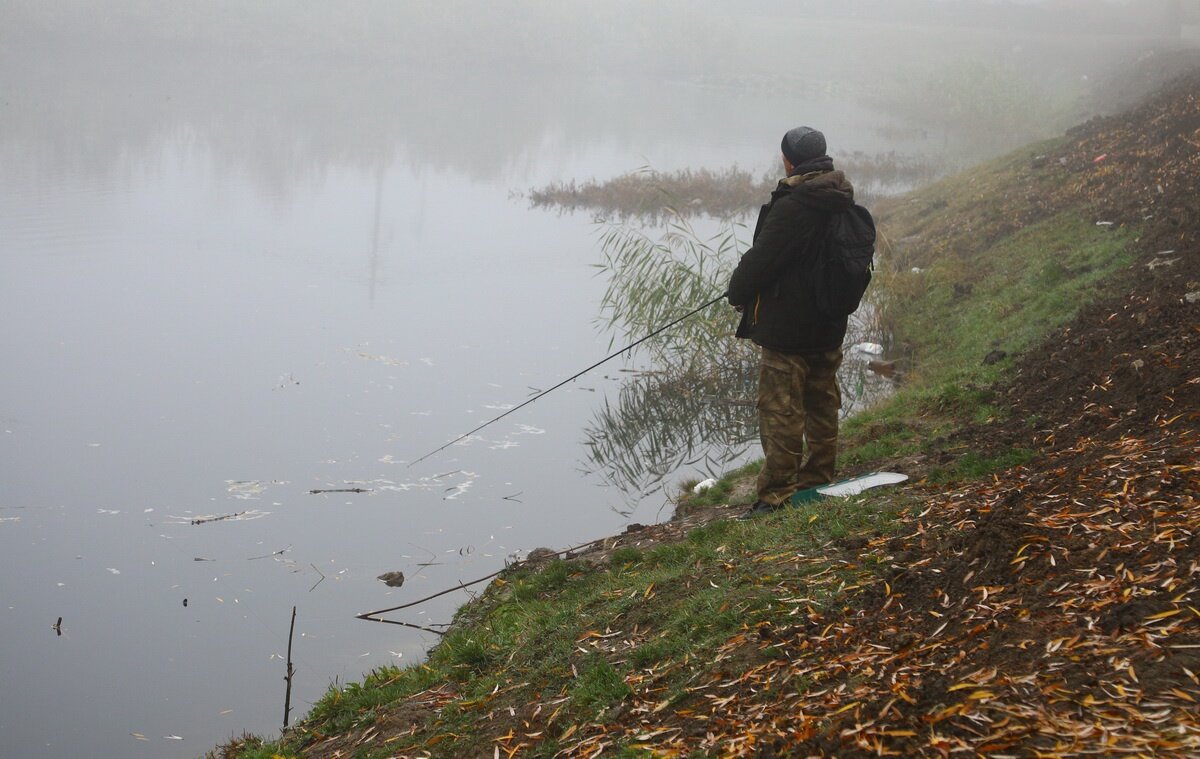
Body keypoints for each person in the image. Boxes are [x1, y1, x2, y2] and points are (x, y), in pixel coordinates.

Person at [726, 126, 855, 517]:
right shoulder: (841, 196)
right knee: (822, 404)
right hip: (829, 323)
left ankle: (777, 494)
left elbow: (759, 262)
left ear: (789, 159)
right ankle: (818, 480)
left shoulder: (794, 204)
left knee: (780, 410)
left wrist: (737, 293)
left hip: (788, 330)